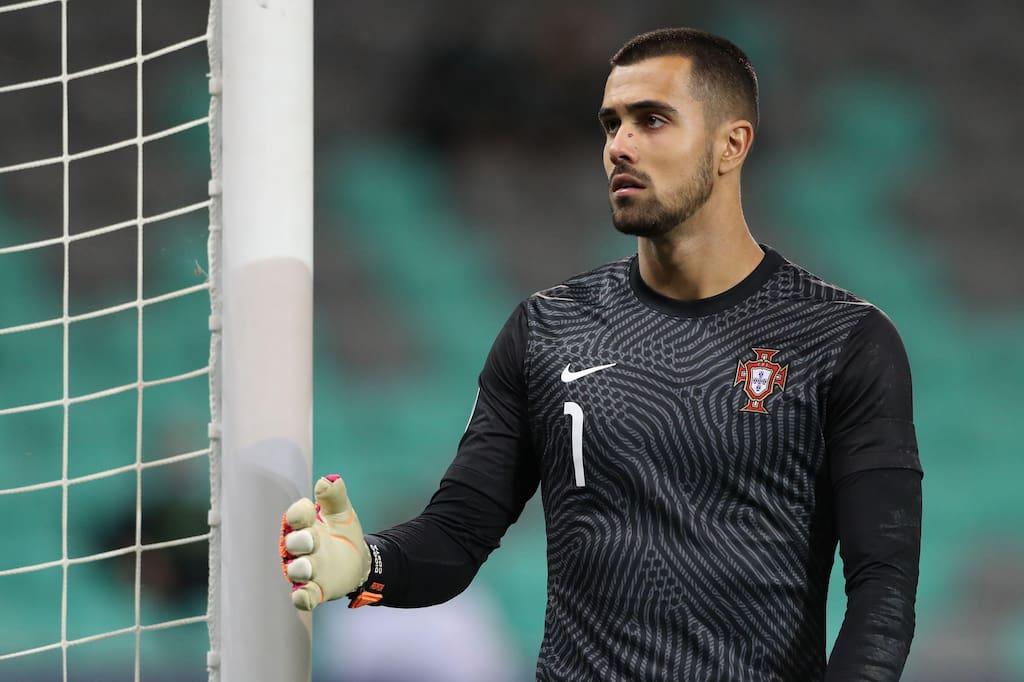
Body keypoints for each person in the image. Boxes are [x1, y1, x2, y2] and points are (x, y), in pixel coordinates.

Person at [280, 27, 923, 681]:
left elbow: (883, 591)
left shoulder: (843, 340)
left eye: (652, 120)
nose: (620, 145)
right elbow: (456, 537)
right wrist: (367, 566)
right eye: (612, 124)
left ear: (731, 144)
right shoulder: (546, 329)